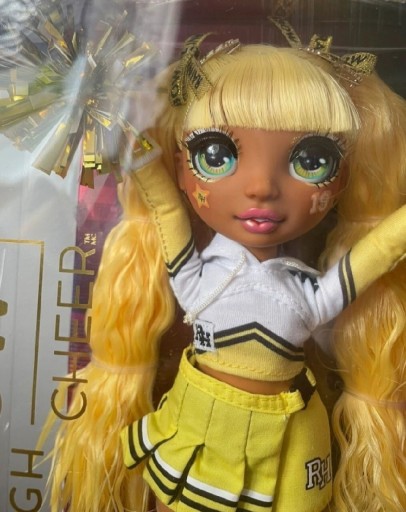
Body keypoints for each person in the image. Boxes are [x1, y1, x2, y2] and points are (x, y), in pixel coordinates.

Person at [42, 27, 406, 512]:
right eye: (215, 155)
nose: (261, 187)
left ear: (339, 181)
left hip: (291, 430)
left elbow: (377, 251)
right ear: (181, 167)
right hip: (201, 420)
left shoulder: (309, 292)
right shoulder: (197, 280)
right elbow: (165, 207)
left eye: (312, 160)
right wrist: (121, 130)